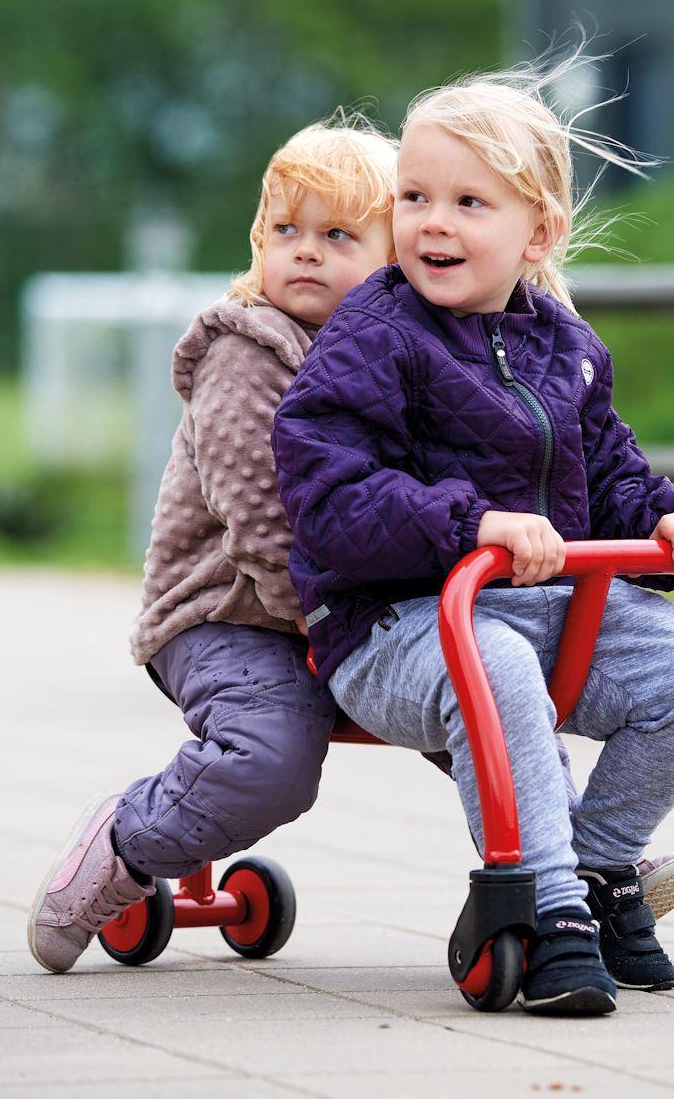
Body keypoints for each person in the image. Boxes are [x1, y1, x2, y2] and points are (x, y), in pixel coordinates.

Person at [273, 62, 674, 1017]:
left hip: (547, 611)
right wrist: (469, 524)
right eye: (413, 198)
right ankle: (549, 905)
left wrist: (665, 518)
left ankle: (604, 867)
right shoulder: (376, 331)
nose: (431, 223)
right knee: (492, 664)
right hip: (395, 624)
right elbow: (327, 490)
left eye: (467, 202)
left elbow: (610, 470)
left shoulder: (564, 343)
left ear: (540, 232)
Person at [28, 117, 397, 973]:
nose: (305, 252)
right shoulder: (250, 350)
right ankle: (121, 842)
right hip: (225, 613)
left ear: (394, 257)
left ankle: (578, 855)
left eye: (338, 234)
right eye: (285, 230)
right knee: (273, 754)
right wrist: (347, 621)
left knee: (482, 691)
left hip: (344, 607)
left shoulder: (399, 357)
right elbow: (260, 523)